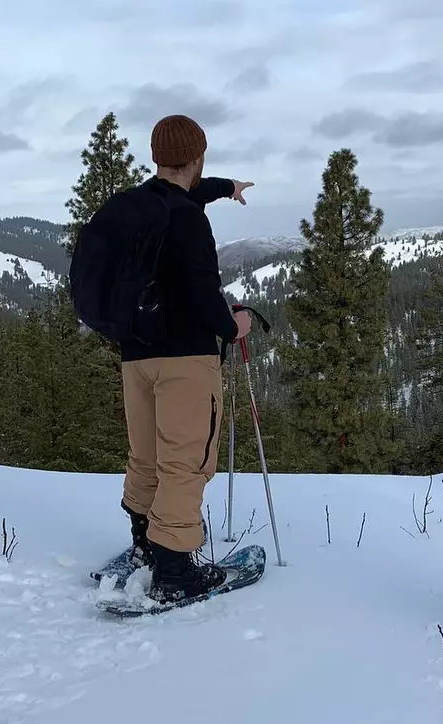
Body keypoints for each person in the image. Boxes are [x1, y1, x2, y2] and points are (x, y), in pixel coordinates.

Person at [118, 113, 255, 603]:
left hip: (136, 353)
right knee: (185, 460)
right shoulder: (188, 219)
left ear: (156, 157)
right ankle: (175, 568)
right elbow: (202, 290)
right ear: (197, 157)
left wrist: (226, 187)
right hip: (186, 358)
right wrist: (231, 325)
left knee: (147, 454)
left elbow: (185, 191)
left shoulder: (137, 207)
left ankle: (144, 546)